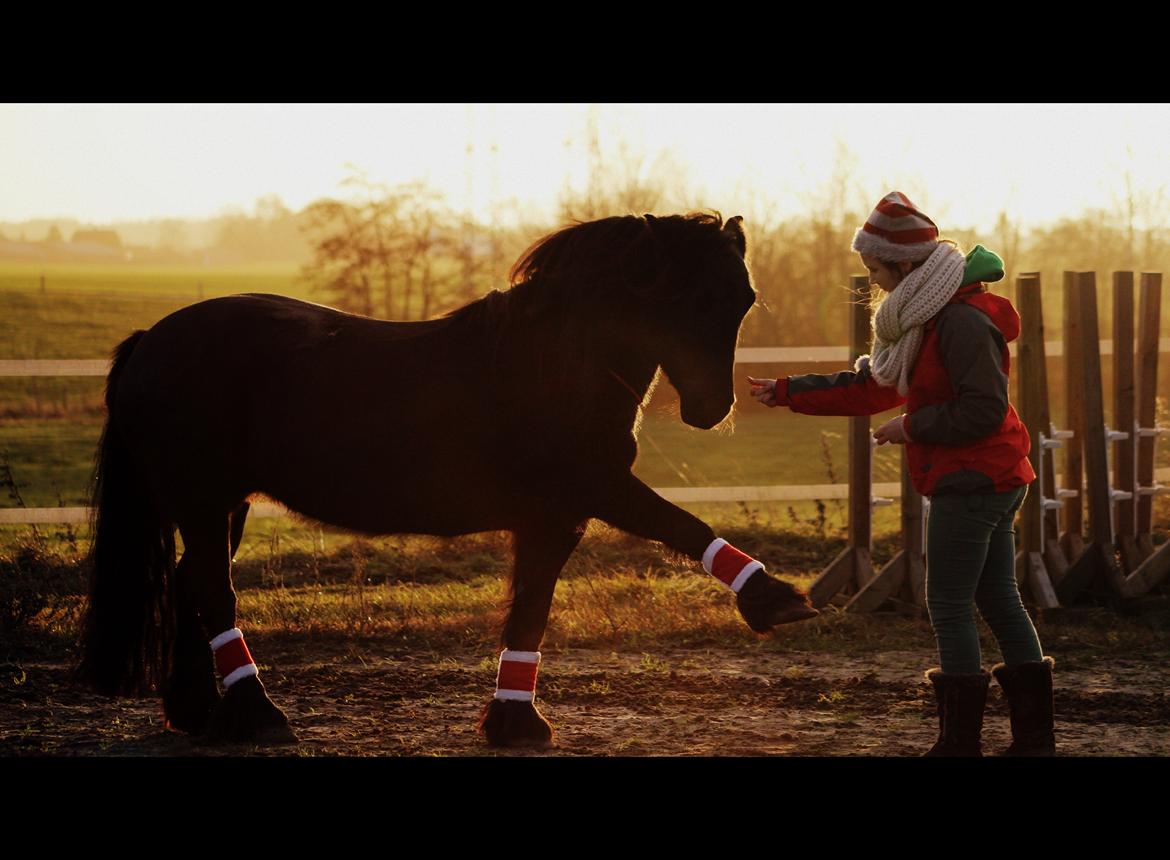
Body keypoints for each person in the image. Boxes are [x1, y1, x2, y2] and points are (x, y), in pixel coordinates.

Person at [748, 191, 1055, 756]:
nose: (873, 280)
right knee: (996, 598)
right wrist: (789, 391)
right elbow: (874, 386)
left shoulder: (959, 323)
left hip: (976, 479)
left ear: (906, 265)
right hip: (983, 475)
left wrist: (910, 428)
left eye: (876, 268)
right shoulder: (923, 320)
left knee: (949, 603)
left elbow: (983, 410)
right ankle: (1033, 741)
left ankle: (960, 744)